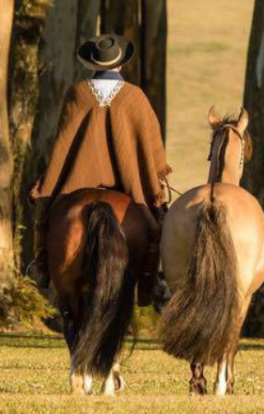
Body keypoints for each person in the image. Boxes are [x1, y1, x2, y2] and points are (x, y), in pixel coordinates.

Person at [29, 34, 171, 307]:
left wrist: (50, 180)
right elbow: (150, 144)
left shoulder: (77, 93)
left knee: (45, 209)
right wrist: (156, 175)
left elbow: (63, 144)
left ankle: (42, 265)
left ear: (93, 64)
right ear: (121, 65)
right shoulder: (135, 97)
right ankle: (149, 283)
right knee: (155, 222)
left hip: (77, 180)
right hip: (126, 183)